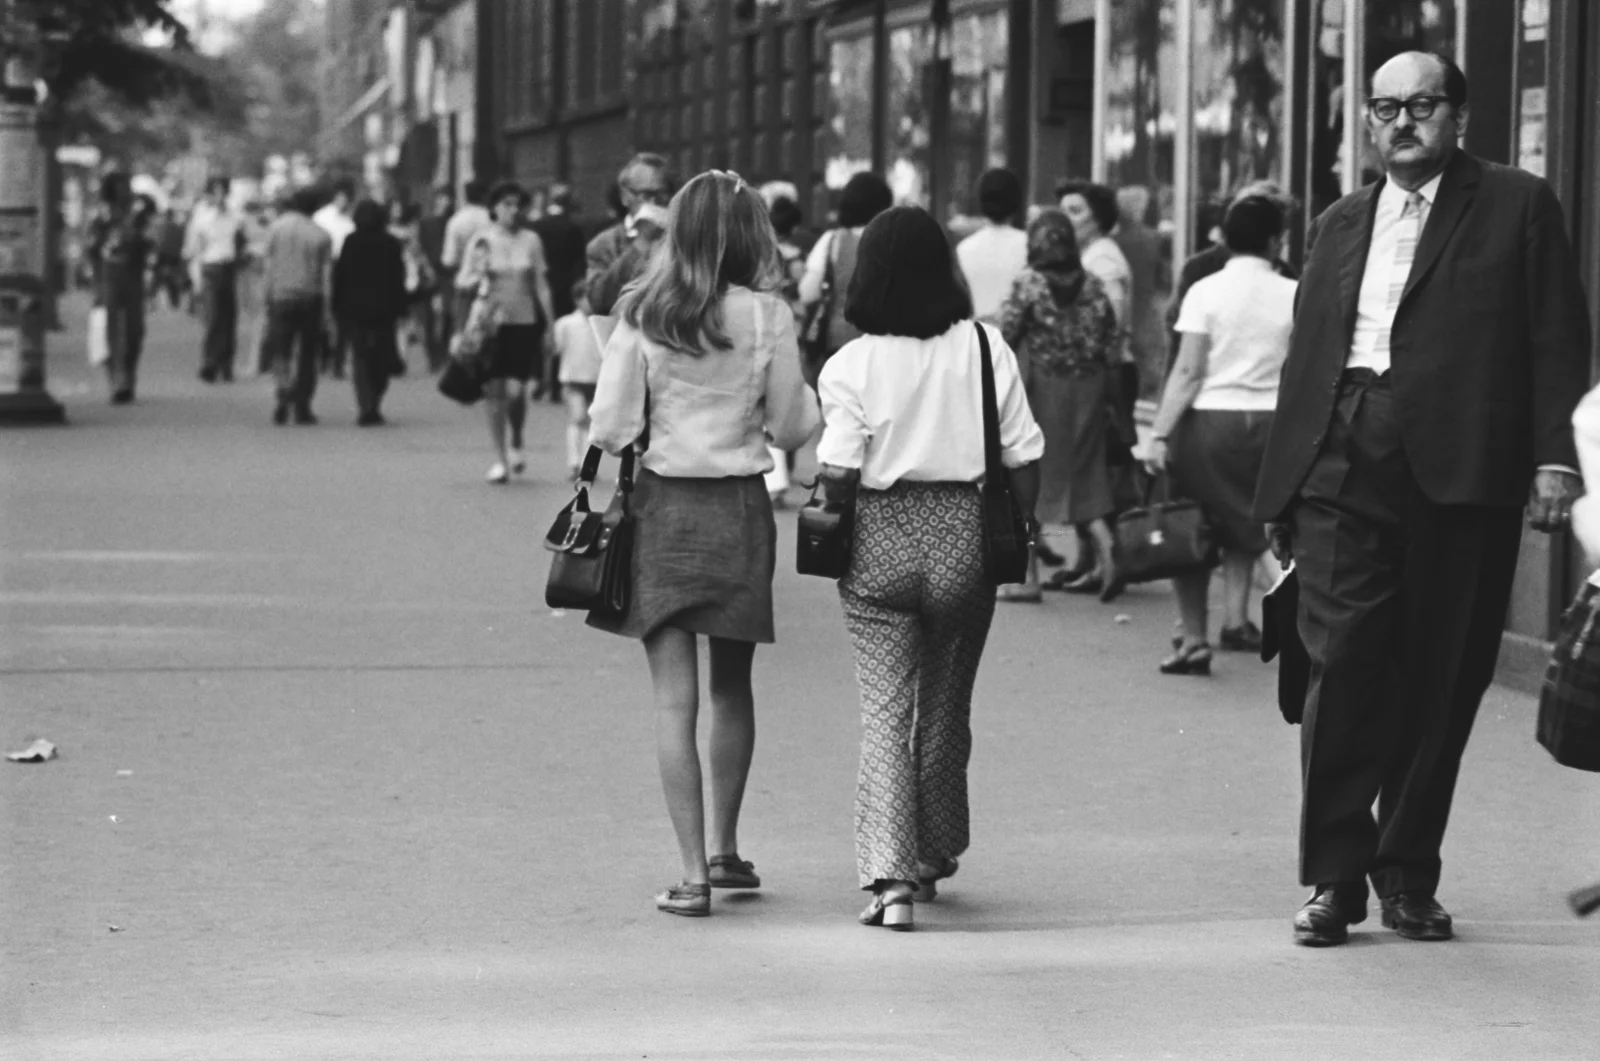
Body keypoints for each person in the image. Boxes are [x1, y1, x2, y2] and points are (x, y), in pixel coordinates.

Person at [1253, 51, 1591, 947]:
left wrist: (1556, 459)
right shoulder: (1338, 221)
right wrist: (1280, 490)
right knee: (1342, 661)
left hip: (1466, 468)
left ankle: (1406, 874)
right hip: (1343, 454)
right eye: (1384, 108)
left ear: (1459, 117)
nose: (1401, 122)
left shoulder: (1518, 203)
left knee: (1443, 673)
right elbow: (1306, 357)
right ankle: (1334, 877)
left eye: (1421, 105)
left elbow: (1558, 336)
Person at [585, 170, 819, 918]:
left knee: (671, 702)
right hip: (739, 511)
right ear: (753, 235)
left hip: (663, 509)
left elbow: (610, 426)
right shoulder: (769, 315)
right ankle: (726, 849)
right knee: (732, 687)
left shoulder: (645, 312)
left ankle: (690, 875)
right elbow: (791, 425)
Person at [817, 206, 1043, 932]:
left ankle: (890, 881)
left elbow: (837, 468)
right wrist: (1025, 524)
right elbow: (1023, 453)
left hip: (879, 541)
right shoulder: (985, 347)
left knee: (884, 710)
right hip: (964, 537)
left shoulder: (850, 364)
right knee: (946, 703)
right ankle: (933, 849)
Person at [1144, 196, 1296, 675]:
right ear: (1276, 241)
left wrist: (1159, 432)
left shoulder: (1204, 291)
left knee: (1192, 524)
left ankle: (1193, 638)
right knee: (1255, 525)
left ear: (1225, 238)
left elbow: (1189, 370)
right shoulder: (1295, 292)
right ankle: (1257, 620)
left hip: (1208, 423)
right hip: (1273, 424)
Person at [994, 210, 1121, 603]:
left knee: (1026, 479)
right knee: (1085, 474)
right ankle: (1107, 546)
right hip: (1090, 389)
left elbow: (1006, 333)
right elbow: (1111, 341)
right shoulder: (1094, 285)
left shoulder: (1029, 283)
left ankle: (1026, 578)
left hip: (1043, 390)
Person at [465, 181, 555, 484]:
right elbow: (464, 282)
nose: (513, 211)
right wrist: (480, 275)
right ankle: (500, 458)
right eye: (506, 204)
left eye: (518, 205)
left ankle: (516, 436)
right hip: (491, 326)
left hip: (524, 322)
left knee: (516, 392)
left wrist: (550, 325)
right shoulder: (482, 241)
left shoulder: (531, 240)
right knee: (494, 392)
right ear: (494, 208)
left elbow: (542, 285)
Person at [1166, 180, 1299, 380]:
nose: (1283, 239)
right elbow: (1178, 329)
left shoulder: (1286, 274)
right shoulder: (1201, 268)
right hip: (1207, 378)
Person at [797, 171, 893, 386]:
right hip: (886, 345)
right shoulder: (892, 240)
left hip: (839, 343)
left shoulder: (833, 241)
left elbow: (807, 292)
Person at [261, 187, 333, 426]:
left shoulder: (276, 228)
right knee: (307, 354)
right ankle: (303, 405)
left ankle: (283, 390)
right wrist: (328, 310)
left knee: (281, 350)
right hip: (310, 298)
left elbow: (268, 266)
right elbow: (326, 277)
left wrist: (266, 296)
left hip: (280, 296)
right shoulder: (321, 235)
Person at [334, 200, 408, 426]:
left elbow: (341, 276)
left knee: (360, 357)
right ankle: (374, 400)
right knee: (382, 358)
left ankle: (365, 403)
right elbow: (398, 277)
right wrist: (401, 307)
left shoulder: (350, 242)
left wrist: (337, 307)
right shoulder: (390, 242)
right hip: (384, 310)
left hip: (355, 310)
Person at [87, 172, 151, 405]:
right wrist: (96, 283)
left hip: (133, 276)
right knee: (111, 329)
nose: (123, 190)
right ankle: (117, 380)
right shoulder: (101, 215)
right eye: (119, 186)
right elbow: (92, 250)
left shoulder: (138, 214)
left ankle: (129, 374)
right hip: (109, 275)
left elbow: (149, 244)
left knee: (135, 330)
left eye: (126, 185)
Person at [586, 153, 675, 315]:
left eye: (661, 194)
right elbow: (599, 302)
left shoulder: (682, 237)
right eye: (645, 195)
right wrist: (641, 243)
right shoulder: (604, 244)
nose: (654, 203)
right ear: (625, 196)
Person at [184, 176, 246, 383]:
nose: (220, 196)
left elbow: (241, 235)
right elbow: (194, 247)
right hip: (210, 267)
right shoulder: (201, 215)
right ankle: (210, 362)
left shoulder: (234, 214)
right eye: (216, 192)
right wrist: (195, 279)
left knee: (229, 318)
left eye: (223, 192)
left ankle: (226, 364)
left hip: (229, 267)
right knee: (213, 318)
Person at [531, 183, 589, 400]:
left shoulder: (537, 226)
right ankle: (556, 384)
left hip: (540, 284)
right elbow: (580, 261)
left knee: (540, 331)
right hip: (565, 286)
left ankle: (539, 378)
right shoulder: (572, 227)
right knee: (561, 332)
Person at [1112, 184, 1168, 399]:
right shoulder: (1152, 239)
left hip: (1128, 307)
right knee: (1150, 363)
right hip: (1145, 307)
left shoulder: (1113, 242)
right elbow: (1163, 276)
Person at [955, 168, 1028, 323]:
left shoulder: (963, 248)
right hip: (1017, 332)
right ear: (1017, 202)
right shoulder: (1029, 244)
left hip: (979, 331)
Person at [553, 278, 602, 479]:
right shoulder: (566, 324)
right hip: (573, 379)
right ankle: (574, 462)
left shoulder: (601, 323)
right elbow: (557, 348)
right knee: (578, 417)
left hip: (597, 379)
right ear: (577, 299)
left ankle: (586, 463)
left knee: (593, 424)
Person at [441, 179, 493, 350]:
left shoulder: (456, 221)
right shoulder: (492, 219)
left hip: (465, 284)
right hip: (490, 284)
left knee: (462, 331)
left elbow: (449, 260)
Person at [419, 187, 454, 371]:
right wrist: (426, 268)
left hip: (448, 275)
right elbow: (420, 247)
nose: (445, 202)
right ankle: (434, 357)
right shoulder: (426, 222)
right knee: (430, 318)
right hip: (431, 275)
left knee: (447, 314)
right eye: (442, 198)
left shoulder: (452, 221)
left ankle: (444, 352)